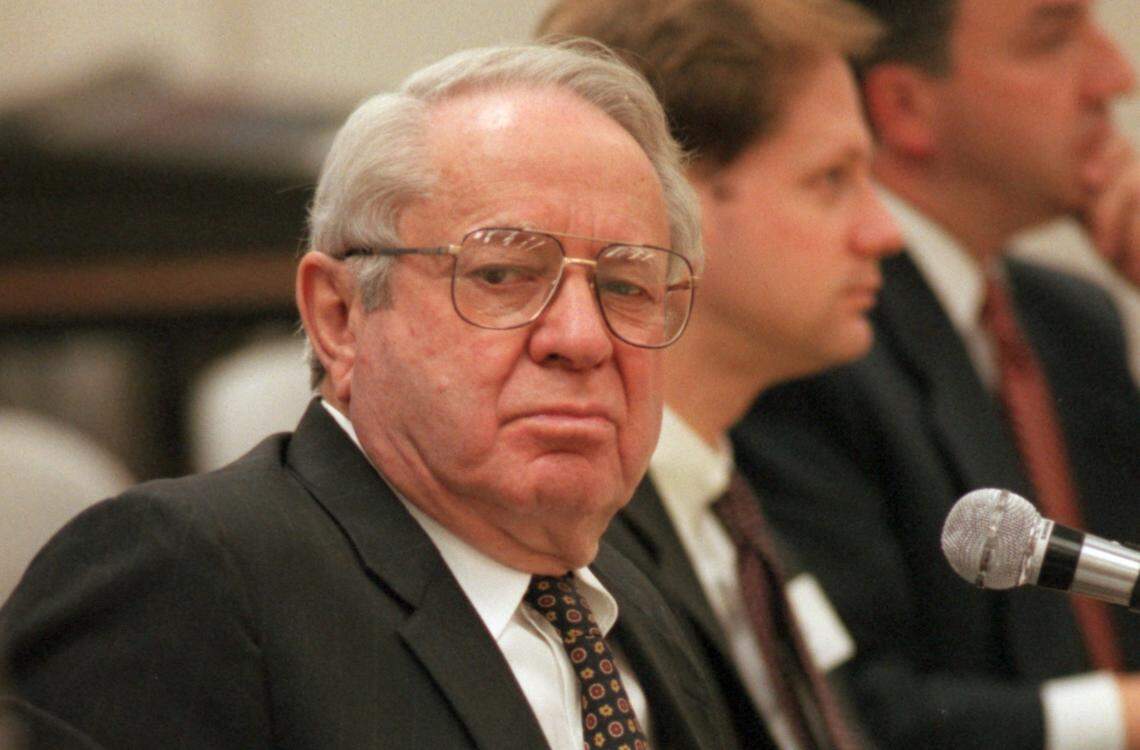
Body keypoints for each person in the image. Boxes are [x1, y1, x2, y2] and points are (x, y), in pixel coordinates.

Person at [0, 42, 732, 750]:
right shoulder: (184, 585)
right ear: (340, 318)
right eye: (503, 274)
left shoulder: (629, 600)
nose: (582, 338)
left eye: (627, 286)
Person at [731, 1, 1140, 748]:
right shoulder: (813, 339)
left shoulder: (1073, 321)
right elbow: (852, 704)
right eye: (1052, 38)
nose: (1117, 77)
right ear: (905, 106)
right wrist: (1124, 716)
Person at [538, 1, 900, 747]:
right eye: (832, 179)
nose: (883, 231)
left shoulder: (735, 504)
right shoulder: (566, 538)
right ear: (672, 203)